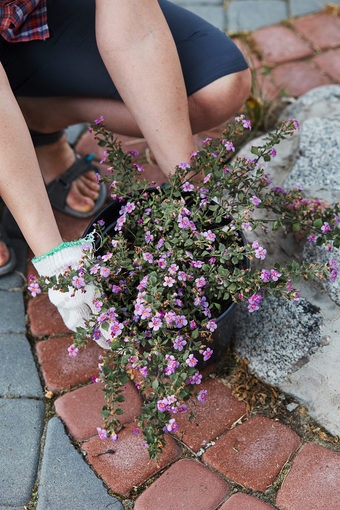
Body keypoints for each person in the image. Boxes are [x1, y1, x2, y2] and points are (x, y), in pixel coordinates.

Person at [0, 0, 251, 340]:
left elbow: (136, 31)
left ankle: (37, 122)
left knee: (216, 89)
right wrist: (57, 261)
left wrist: (188, 192)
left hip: (30, 18)